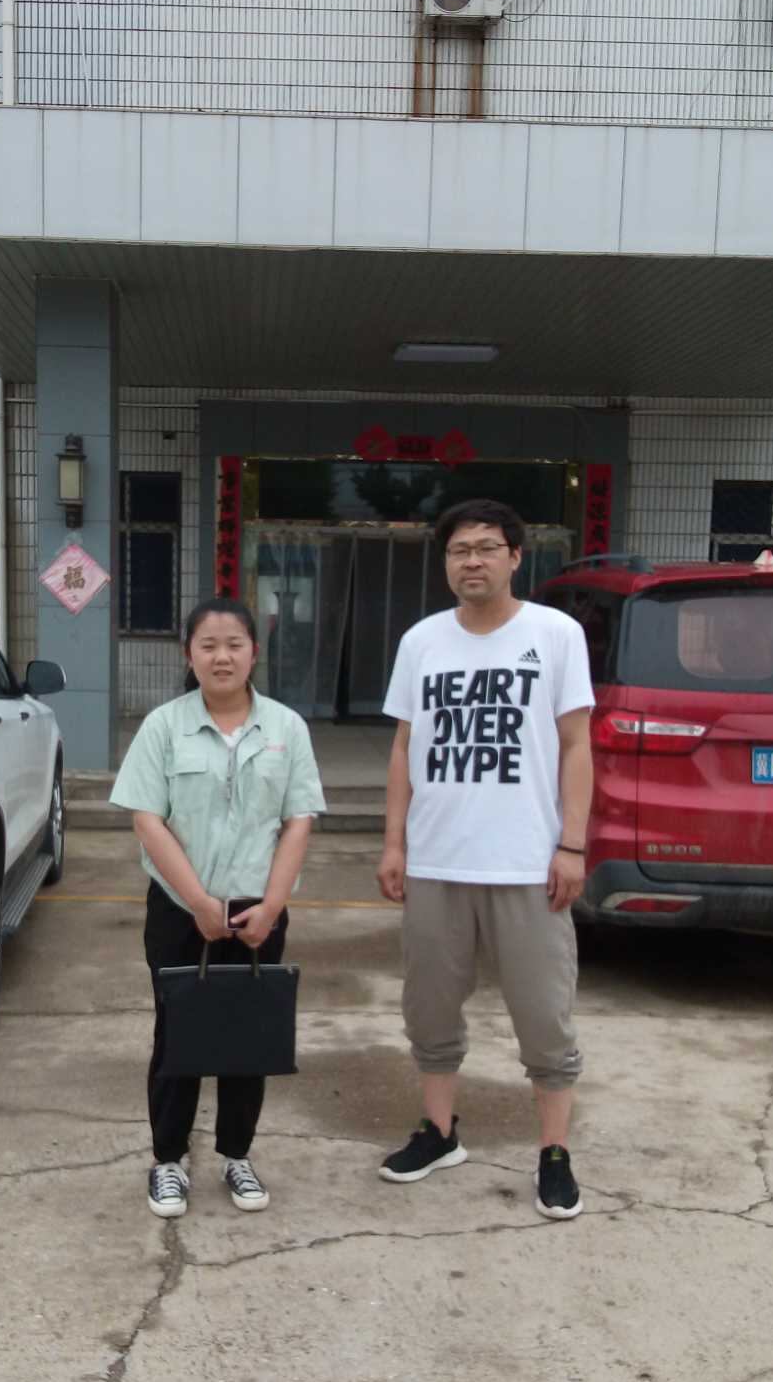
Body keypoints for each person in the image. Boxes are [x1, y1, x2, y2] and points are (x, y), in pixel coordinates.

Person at [376, 500, 595, 1220]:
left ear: (515, 556)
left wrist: (572, 844)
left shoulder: (555, 635)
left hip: (527, 865)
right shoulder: (421, 642)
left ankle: (554, 1152)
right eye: (458, 550)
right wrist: (395, 843)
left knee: (544, 1016)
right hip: (436, 862)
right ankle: (439, 1133)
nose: (472, 560)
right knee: (430, 1009)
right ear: (446, 563)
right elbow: (404, 749)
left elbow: (576, 746)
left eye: (486, 547)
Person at [110, 596, 325, 1219]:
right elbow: (147, 820)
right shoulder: (163, 727)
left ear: (254, 653)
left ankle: (237, 1154)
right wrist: (199, 902)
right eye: (208, 645)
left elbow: (298, 821)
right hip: (180, 910)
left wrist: (273, 905)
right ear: (190, 655)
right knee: (176, 1032)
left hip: (259, 910)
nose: (221, 656)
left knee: (248, 1033)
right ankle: (168, 1160)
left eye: (234, 644)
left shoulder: (286, 728)